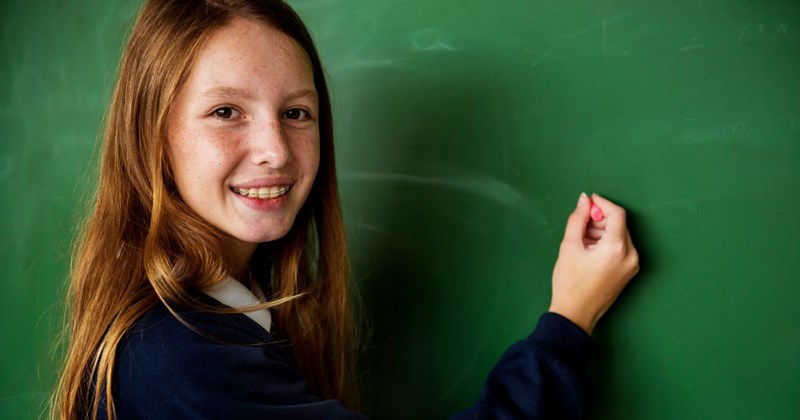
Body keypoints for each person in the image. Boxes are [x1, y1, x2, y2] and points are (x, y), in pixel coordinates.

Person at [52, 1, 639, 419]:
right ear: (152, 135)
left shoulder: (227, 312)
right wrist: (570, 321)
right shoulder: (177, 356)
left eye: (297, 113)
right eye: (226, 111)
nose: (275, 151)